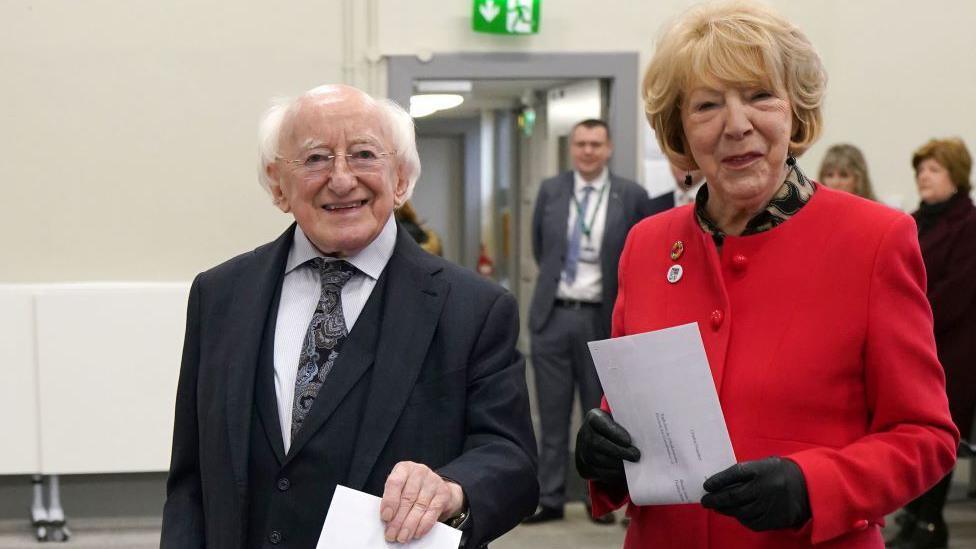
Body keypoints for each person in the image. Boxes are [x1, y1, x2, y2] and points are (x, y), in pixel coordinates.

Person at [574, 2, 959, 548]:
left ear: (795, 111)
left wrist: (814, 486)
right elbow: (633, 406)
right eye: (707, 105)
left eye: (760, 96)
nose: (737, 125)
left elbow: (926, 436)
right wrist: (603, 452)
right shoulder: (647, 244)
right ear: (681, 129)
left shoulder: (874, 239)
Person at [160, 84, 538, 549]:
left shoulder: (474, 309)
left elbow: (511, 460)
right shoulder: (218, 296)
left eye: (363, 154)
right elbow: (191, 480)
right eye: (315, 158)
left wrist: (452, 489)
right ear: (278, 183)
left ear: (400, 178)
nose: (341, 179)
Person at [525, 119, 654, 524]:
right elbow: (540, 247)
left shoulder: (630, 196)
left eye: (596, 144)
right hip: (554, 315)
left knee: (600, 413)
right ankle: (550, 497)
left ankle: (598, 498)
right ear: (572, 148)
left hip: (602, 318)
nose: (587, 151)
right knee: (550, 412)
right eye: (581, 144)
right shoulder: (552, 191)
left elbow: (639, 253)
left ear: (609, 148)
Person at [887, 137, 976, 549]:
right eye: (921, 169)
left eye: (934, 169)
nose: (924, 176)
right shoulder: (914, 220)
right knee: (909, 430)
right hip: (911, 344)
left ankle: (931, 522)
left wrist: (905, 315)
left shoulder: (969, 224)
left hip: (952, 348)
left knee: (941, 433)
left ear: (956, 177)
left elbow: (956, 292)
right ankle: (914, 514)